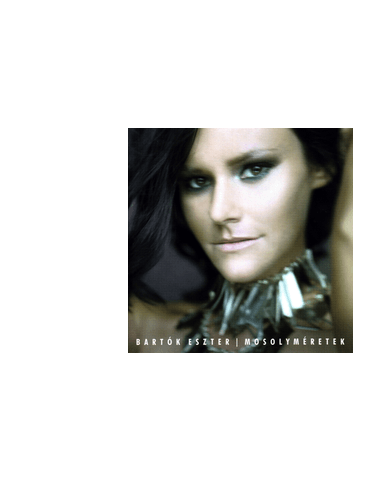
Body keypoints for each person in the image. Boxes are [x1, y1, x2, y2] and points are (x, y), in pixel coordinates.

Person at [128, 128, 353, 352]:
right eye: (197, 181)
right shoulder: (145, 330)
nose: (218, 212)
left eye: (254, 170)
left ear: (320, 165)